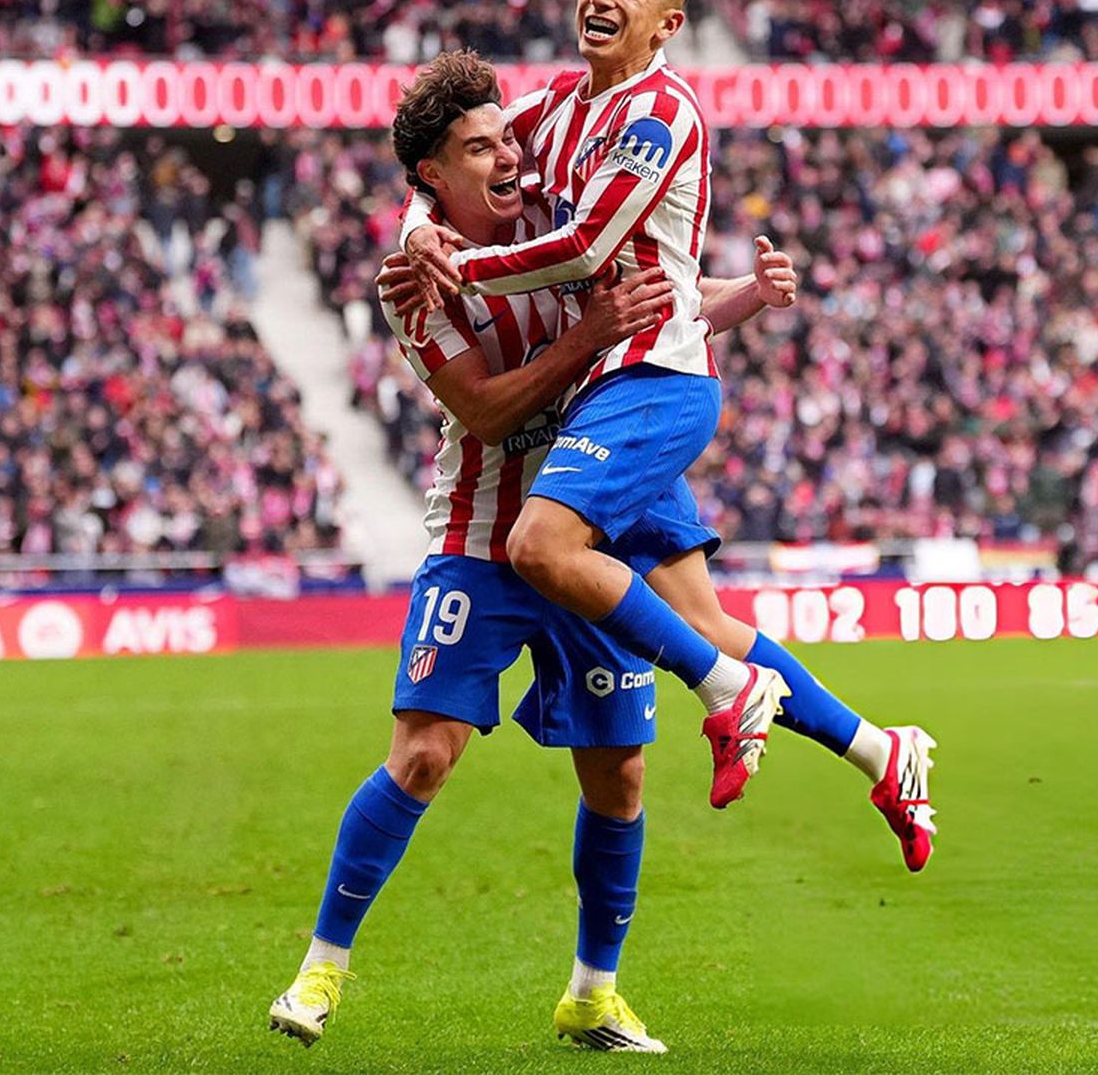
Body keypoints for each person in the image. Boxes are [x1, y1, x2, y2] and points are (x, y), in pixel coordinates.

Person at [269, 51, 796, 1054]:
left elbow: (654, 305)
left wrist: (745, 294)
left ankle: (593, 996)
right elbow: (478, 403)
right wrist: (582, 332)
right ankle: (321, 973)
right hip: (480, 539)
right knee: (423, 754)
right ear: (431, 173)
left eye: (507, 134)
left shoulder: (557, 204)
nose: (509, 156)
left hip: (580, 533)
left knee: (620, 778)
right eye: (480, 148)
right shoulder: (413, 274)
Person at [391, 0, 937, 835]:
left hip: (645, 383)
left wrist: (456, 266)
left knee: (539, 548)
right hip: (603, 390)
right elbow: (458, 145)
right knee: (704, 618)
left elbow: (586, 249)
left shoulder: (661, 113)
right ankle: (887, 753)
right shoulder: (560, 104)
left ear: (668, 25)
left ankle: (731, 696)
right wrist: (417, 227)